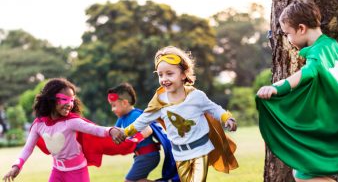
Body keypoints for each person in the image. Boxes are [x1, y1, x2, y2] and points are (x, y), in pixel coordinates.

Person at [256, 0, 338, 182]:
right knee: (308, 169)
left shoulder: (317, 53)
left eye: (287, 34)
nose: (288, 39)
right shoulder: (332, 46)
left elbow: (308, 73)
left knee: (303, 173)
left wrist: (277, 88)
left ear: (301, 28)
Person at [122, 46, 238, 182]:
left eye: (169, 74)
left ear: (183, 74)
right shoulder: (159, 102)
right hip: (179, 155)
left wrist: (227, 118)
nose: (164, 79)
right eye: (160, 75)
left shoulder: (196, 96)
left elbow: (214, 108)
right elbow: (143, 120)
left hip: (200, 151)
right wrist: (125, 133)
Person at [2, 78, 127, 182]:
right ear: (51, 99)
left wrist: (111, 130)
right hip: (57, 172)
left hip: (78, 173)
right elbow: (28, 148)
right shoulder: (38, 124)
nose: (70, 104)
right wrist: (16, 166)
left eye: (72, 100)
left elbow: (95, 129)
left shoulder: (71, 122)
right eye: (64, 99)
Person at [107, 83, 160, 182]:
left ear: (124, 103)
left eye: (114, 105)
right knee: (138, 180)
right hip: (140, 156)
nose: (112, 109)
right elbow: (113, 131)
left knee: (129, 181)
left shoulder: (135, 115)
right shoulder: (122, 118)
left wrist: (135, 139)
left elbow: (148, 130)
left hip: (148, 155)